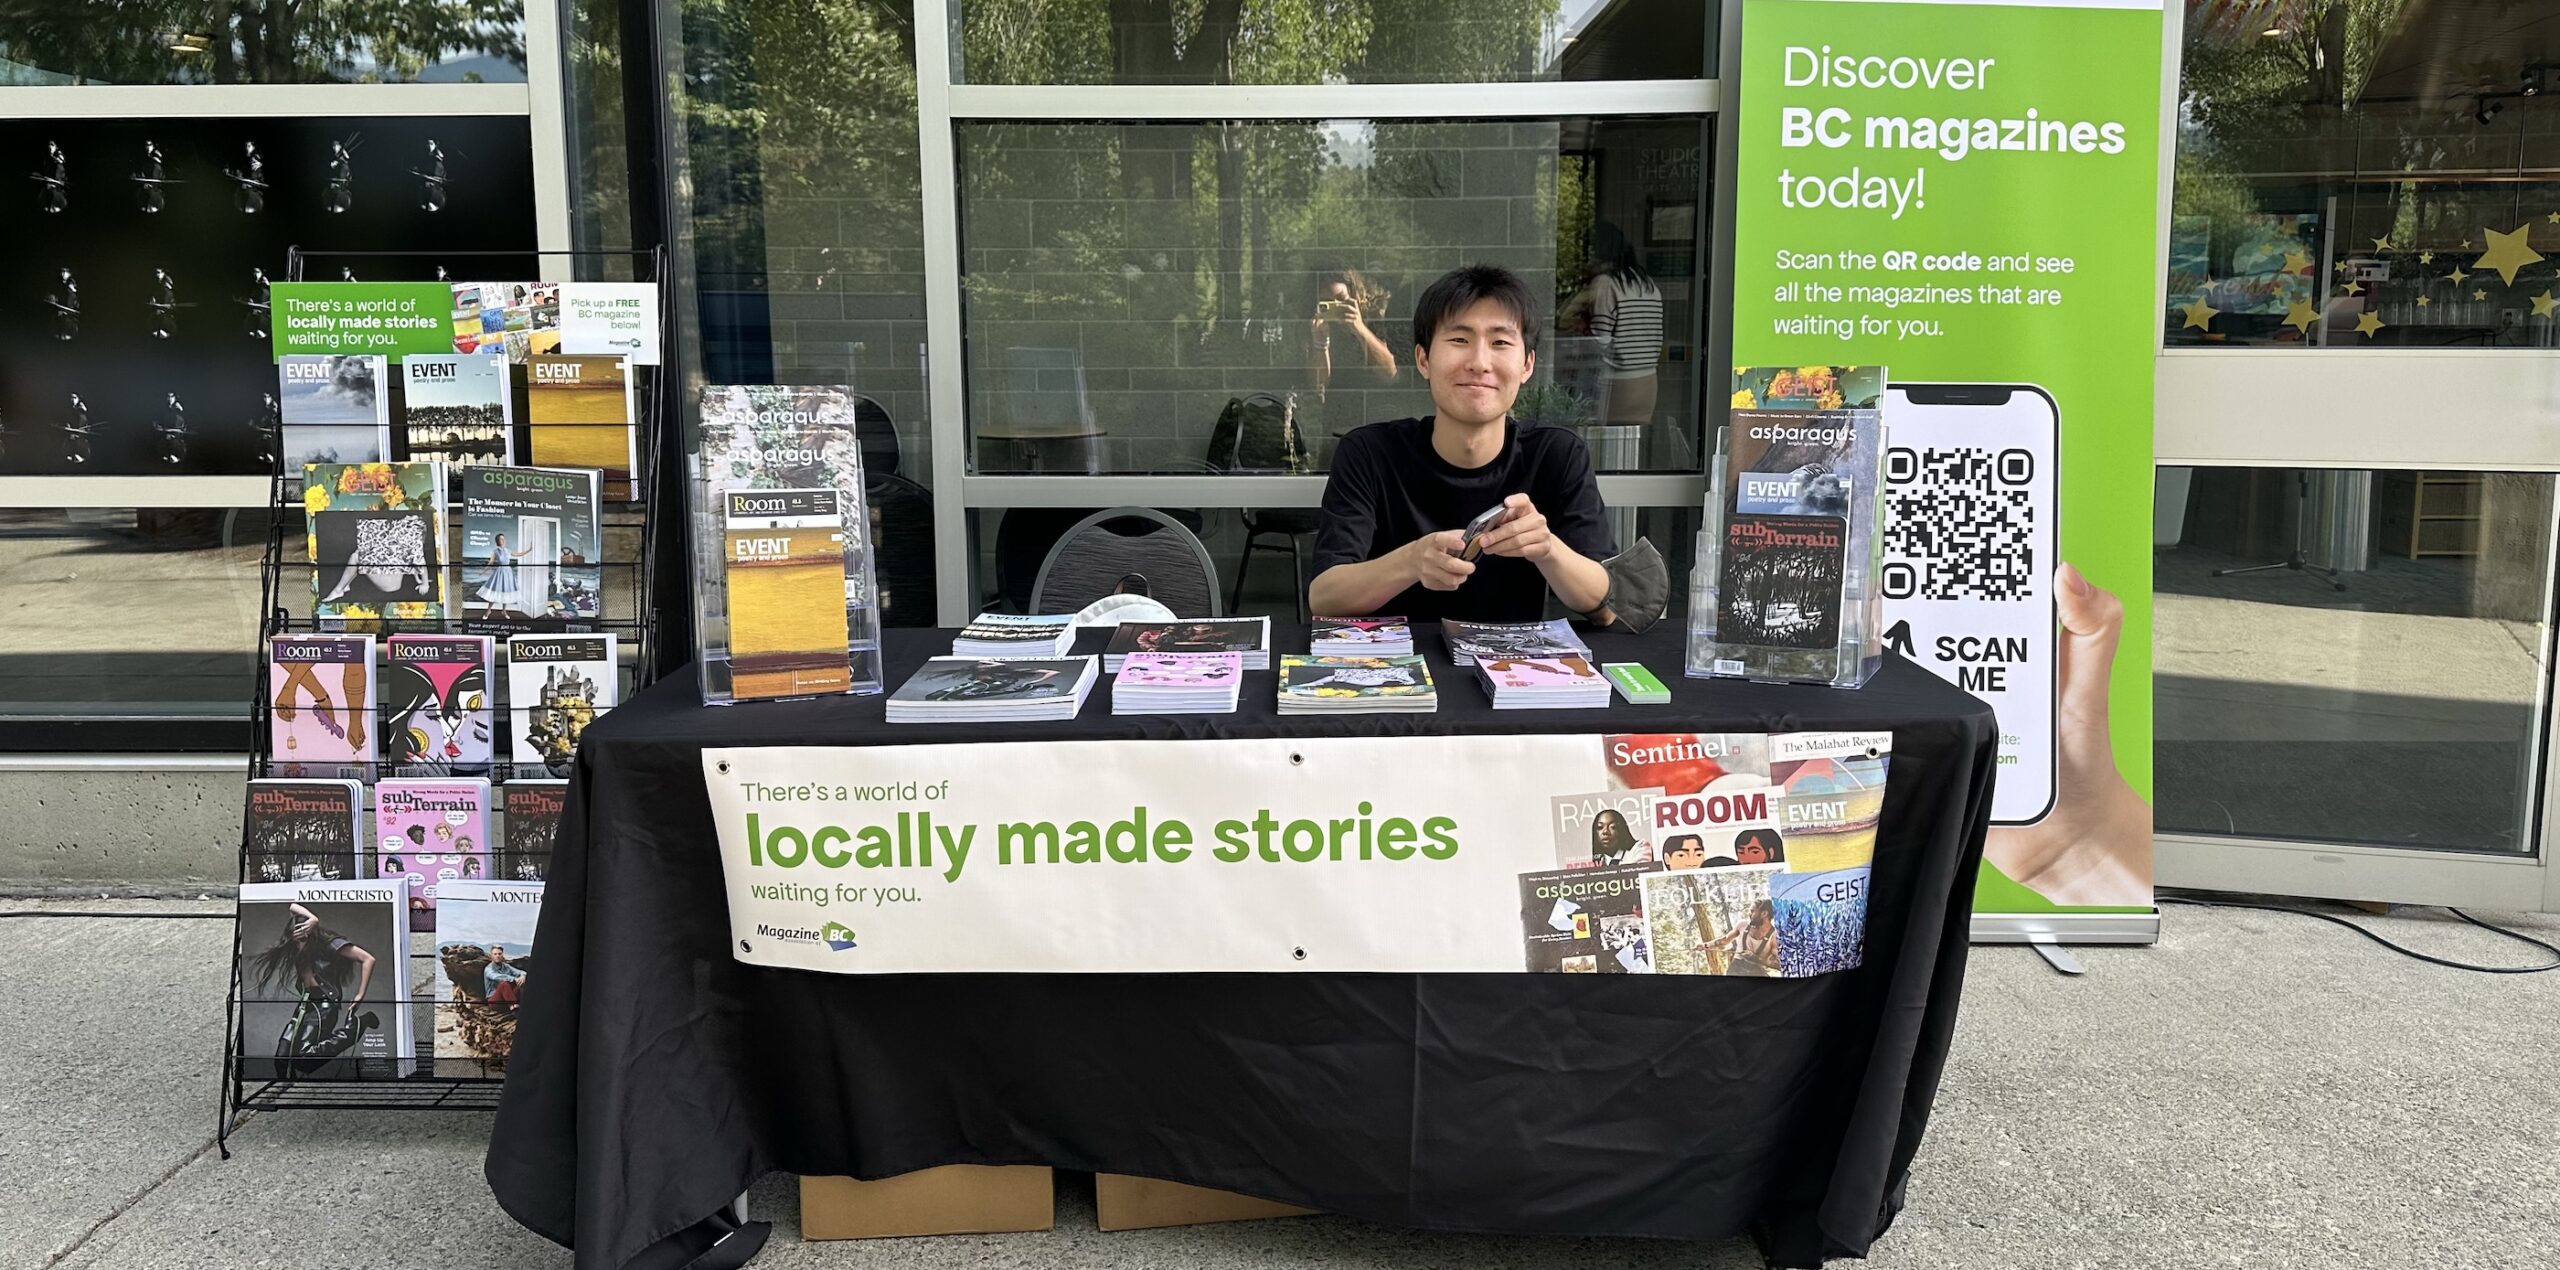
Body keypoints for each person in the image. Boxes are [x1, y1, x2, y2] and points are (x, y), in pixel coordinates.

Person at [1309, 264, 1615, 622]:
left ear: (1527, 365)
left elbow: (1607, 607)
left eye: (1500, 342)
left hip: (1510, 670)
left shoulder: (1555, 455)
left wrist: (1547, 549)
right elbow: (1324, 596)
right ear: (1424, 360)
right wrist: (1411, 561)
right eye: (1459, 340)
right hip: (1394, 671)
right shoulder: (1369, 453)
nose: (1479, 362)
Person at [247, 902, 380, 1073]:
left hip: (325, 1005)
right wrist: (312, 918)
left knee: (304, 1060)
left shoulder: (329, 943)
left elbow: (368, 959)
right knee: (281, 1059)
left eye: (303, 939)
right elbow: (292, 905)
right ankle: (284, 1090)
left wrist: (360, 994)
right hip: (306, 1003)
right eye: (296, 940)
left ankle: (359, 1024)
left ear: (311, 933)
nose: (299, 945)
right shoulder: (296, 946)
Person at [1561, 222, 1664, 426]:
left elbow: (1601, 340)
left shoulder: (1606, 284)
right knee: (1632, 446)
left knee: (1606, 446)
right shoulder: (1648, 284)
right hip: (1649, 380)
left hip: (1618, 381)